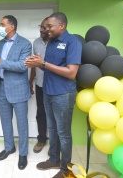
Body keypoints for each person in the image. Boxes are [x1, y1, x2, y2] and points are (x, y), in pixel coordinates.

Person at [24, 12, 82, 178]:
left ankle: (66, 169)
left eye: (50, 26)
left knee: (63, 133)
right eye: (45, 26)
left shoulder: (73, 42)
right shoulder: (50, 43)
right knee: (53, 129)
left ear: (61, 26)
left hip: (63, 94)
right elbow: (48, 67)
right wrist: (37, 63)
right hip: (48, 92)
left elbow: (71, 73)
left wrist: (43, 63)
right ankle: (54, 159)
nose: (46, 29)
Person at [0, 15, 32, 170]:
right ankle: (9, 147)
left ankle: (23, 153)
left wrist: (0, 62)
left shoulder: (25, 44)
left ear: (11, 27)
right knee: (5, 121)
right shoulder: (0, 43)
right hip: (2, 89)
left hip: (18, 89)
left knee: (22, 123)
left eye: (2, 24)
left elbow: (22, 66)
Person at [29, 17, 49, 153]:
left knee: (54, 115)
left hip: (54, 86)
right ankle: (42, 139)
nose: (41, 30)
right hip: (40, 84)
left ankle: (54, 144)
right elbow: (34, 64)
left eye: (44, 28)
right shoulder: (36, 42)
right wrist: (31, 81)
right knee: (41, 113)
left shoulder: (56, 42)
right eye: (40, 27)